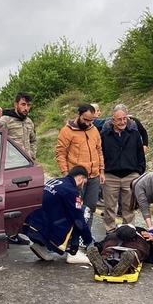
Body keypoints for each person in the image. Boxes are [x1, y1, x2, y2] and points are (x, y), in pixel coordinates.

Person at [55, 104, 104, 263]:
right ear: (79, 115)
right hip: (77, 179)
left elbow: (99, 150)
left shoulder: (94, 130)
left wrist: (101, 170)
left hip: (94, 176)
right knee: (75, 211)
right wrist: (66, 175)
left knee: (89, 210)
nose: (89, 123)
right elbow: (60, 153)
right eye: (86, 119)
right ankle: (71, 245)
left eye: (91, 120)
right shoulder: (67, 131)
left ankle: (84, 239)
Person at [22, 166, 94, 262]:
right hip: (50, 229)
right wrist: (88, 241)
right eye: (84, 182)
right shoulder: (71, 191)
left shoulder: (55, 181)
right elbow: (78, 218)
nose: (83, 185)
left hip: (32, 225)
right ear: (80, 178)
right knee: (83, 212)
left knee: (62, 211)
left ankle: (40, 245)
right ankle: (73, 253)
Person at [100, 106, 146, 232]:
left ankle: (128, 231)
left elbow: (140, 154)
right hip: (110, 175)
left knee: (129, 207)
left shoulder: (134, 134)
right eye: (119, 119)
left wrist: (139, 171)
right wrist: (102, 171)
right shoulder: (104, 135)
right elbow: (100, 154)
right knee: (109, 207)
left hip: (131, 175)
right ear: (113, 121)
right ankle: (110, 231)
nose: (122, 122)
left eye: (124, 118)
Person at [85, 224, 153, 277]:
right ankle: (123, 266)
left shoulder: (143, 233)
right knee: (133, 252)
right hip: (130, 244)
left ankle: (105, 264)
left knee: (108, 251)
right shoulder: (143, 234)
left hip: (124, 241)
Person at [0, 92, 37, 159]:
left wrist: (32, 154)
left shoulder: (29, 122)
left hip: (28, 162)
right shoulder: (6, 120)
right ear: (16, 104)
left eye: (28, 105)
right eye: (23, 104)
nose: (26, 108)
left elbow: (33, 140)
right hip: (13, 164)